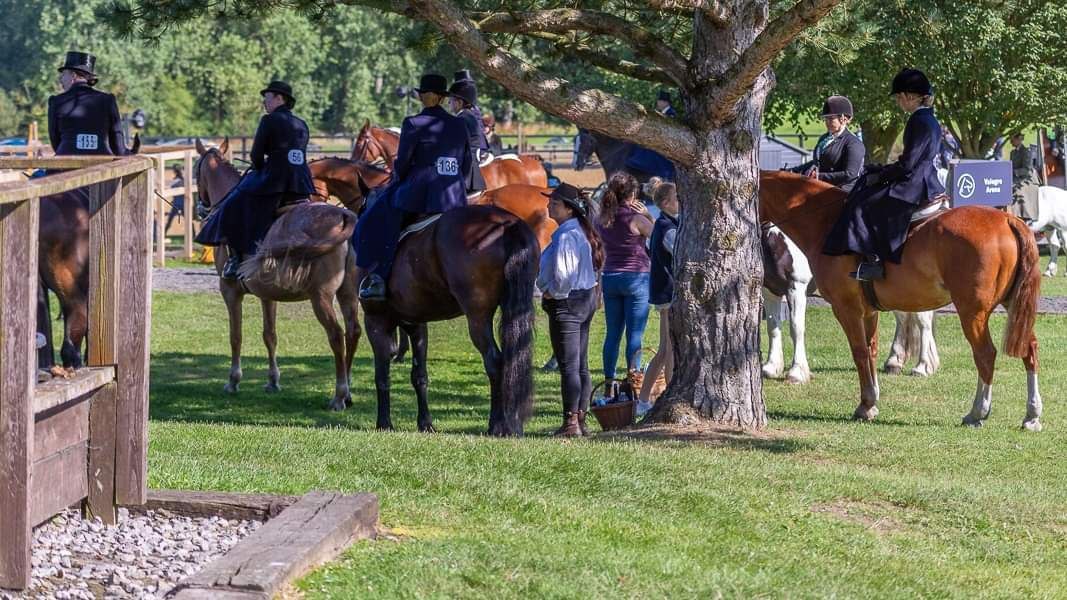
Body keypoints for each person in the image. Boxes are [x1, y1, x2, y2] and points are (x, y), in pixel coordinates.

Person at [354, 73, 471, 301]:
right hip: (454, 195)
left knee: (374, 217)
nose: (422, 97)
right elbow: (466, 164)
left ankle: (377, 277)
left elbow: (404, 162)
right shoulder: (459, 123)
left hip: (422, 192)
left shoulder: (413, 123)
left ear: (434, 97)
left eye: (425, 93)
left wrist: (398, 180)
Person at [823, 68, 946, 281]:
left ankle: (875, 262)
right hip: (926, 179)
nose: (899, 102)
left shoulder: (918, 120)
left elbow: (908, 165)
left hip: (913, 184)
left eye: (899, 97)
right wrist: (881, 169)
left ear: (910, 96)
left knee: (862, 203)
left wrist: (881, 176)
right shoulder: (930, 119)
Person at [195, 81, 315, 279]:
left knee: (231, 204)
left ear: (279, 98)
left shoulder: (268, 120)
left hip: (275, 182)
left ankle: (234, 259)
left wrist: (259, 166)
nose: (264, 102)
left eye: (267, 97)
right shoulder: (301, 124)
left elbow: (256, 156)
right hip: (301, 183)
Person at [538, 183, 604, 437]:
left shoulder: (567, 235)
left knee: (569, 366)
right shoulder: (580, 231)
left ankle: (571, 422)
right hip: (584, 299)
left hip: (568, 302)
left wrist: (552, 293)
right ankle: (580, 418)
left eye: (554, 203)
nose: (548, 206)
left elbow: (563, 276)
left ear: (568, 209)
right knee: (580, 365)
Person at [597, 172, 654, 393]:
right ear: (632, 194)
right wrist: (648, 215)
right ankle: (633, 382)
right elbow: (661, 236)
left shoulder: (602, 219)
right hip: (636, 277)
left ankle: (609, 384)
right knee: (635, 335)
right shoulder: (636, 219)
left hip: (610, 278)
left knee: (612, 334)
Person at [637, 181, 680, 416]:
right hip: (667, 293)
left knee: (665, 349)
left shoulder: (665, 224)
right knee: (669, 348)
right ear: (665, 204)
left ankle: (644, 399)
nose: (680, 202)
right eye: (676, 198)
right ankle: (668, 395)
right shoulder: (667, 228)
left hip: (664, 292)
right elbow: (681, 251)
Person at [48, 51, 129, 156]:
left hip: (65, 164)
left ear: (73, 75)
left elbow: (55, 141)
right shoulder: (107, 100)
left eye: (63, 74)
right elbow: (118, 146)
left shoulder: (56, 101)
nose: (60, 79)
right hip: (101, 165)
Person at [788, 96, 865, 192]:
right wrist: (793, 171)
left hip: (843, 193)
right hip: (821, 188)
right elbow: (817, 163)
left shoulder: (853, 143)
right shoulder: (824, 139)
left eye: (831, 119)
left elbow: (850, 174)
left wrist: (819, 177)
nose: (827, 122)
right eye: (825, 119)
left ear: (843, 119)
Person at [449, 70, 488, 197]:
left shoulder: (461, 119)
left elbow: (455, 146)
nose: (449, 103)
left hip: (467, 172)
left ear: (459, 102)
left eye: (451, 100)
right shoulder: (469, 115)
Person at [624, 89, 677, 182]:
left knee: (650, 151)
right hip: (657, 137)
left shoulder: (671, 114)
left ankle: (655, 170)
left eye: (659, 101)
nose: (658, 103)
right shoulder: (661, 112)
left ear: (665, 102)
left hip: (665, 142)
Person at [1009, 132, 1039, 222]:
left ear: (1019, 140)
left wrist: (1013, 172)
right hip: (1016, 177)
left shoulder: (1026, 152)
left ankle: (1025, 215)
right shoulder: (1012, 152)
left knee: (1016, 189)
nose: (1010, 142)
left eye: (1012, 140)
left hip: (1027, 178)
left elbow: (1027, 170)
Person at [164, 165, 187, 233]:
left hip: (177, 205)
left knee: (169, 221)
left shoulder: (175, 181)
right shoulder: (183, 180)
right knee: (188, 221)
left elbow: (169, 188)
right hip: (182, 204)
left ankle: (163, 234)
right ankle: (194, 235)